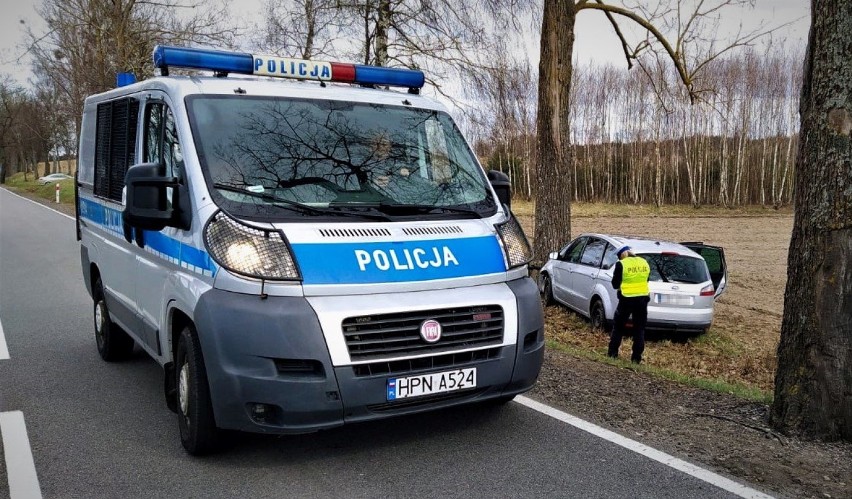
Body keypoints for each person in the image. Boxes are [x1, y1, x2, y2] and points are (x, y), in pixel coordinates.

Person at [607, 245, 651, 363]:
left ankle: (612, 354)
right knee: (639, 329)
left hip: (626, 299)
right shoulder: (644, 262)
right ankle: (636, 359)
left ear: (622, 255)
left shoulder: (621, 264)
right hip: (642, 300)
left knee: (618, 327)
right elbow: (646, 279)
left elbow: (615, 284)